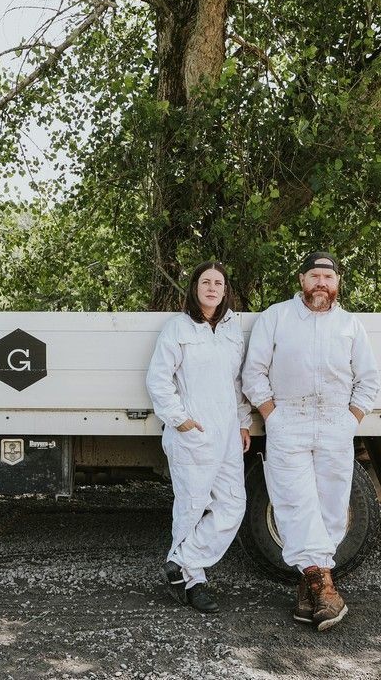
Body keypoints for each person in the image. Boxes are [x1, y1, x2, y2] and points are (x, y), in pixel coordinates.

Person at [241, 251, 379, 631]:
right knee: (292, 501)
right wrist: (273, 415)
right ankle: (326, 590)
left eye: (328, 278)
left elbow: (368, 381)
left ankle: (311, 587)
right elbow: (253, 372)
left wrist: (350, 421)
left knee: (332, 503)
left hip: (336, 421)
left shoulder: (351, 326)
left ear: (337, 284)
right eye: (314, 276)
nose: (321, 283)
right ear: (301, 280)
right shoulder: (277, 317)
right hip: (289, 419)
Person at [146, 261, 252, 614]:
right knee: (191, 507)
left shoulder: (232, 330)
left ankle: (180, 560)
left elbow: (236, 383)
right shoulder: (178, 328)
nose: (211, 288)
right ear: (194, 288)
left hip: (227, 434)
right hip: (193, 431)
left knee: (233, 504)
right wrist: (180, 421)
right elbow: (159, 380)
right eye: (205, 282)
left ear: (225, 291)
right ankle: (194, 583)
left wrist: (242, 422)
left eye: (218, 283)